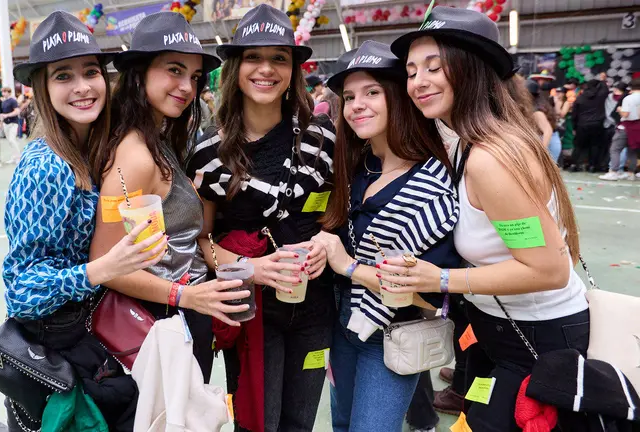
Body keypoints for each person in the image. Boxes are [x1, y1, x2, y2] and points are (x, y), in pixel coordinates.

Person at [389, 6, 589, 430]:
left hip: (539, 338)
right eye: (410, 71)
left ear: (471, 69)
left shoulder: (491, 159)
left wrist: (439, 279)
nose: (417, 82)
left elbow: (549, 269)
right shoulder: (467, 143)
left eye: (433, 67)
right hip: (497, 330)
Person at [3, 11, 167, 431]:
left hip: (91, 342)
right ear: (42, 87)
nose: (81, 87)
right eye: (63, 76)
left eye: (90, 72)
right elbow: (21, 291)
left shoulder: (94, 150)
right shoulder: (46, 167)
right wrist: (102, 269)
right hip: (58, 358)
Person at [186, 5, 333, 431]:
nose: (265, 69)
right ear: (236, 67)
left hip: (314, 309)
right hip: (250, 311)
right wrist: (251, 267)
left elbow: (334, 217)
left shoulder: (322, 138)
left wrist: (326, 244)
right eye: (253, 57)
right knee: (257, 421)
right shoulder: (208, 151)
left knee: (300, 420)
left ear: (293, 70)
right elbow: (202, 240)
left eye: (279, 59)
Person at [310, 40, 460, 432]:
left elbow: (434, 295)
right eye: (349, 96)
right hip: (343, 323)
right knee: (341, 424)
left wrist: (347, 265)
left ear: (397, 96)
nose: (357, 104)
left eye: (372, 92)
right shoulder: (358, 169)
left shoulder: (432, 185)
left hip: (393, 331)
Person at [88, 11, 247, 382]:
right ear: (140, 72)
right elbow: (107, 264)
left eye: (193, 76)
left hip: (180, 316)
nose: (188, 87)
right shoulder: (137, 156)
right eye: (174, 70)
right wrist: (186, 297)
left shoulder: (155, 140)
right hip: (165, 322)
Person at [600, 81, 637, 181]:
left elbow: (625, 114)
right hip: (637, 127)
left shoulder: (628, 98)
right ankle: (631, 173)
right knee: (632, 151)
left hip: (626, 126)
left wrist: (620, 109)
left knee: (615, 149)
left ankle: (613, 171)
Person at [571, 79, 609, 172]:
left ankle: (574, 164)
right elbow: (606, 89)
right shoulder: (600, 96)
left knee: (578, 146)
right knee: (595, 146)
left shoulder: (580, 98)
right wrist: (602, 81)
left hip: (582, 124)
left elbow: (574, 114)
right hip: (597, 124)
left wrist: (574, 127)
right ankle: (592, 166)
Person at [524, 79, 560, 161]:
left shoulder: (537, 112)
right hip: (550, 141)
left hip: (547, 143)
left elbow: (548, 131)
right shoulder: (540, 104)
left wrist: (541, 152)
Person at [0, 87, 23, 164]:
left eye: (5, 91)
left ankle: (18, 157)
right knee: (10, 141)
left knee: (12, 140)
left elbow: (17, 111)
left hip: (13, 123)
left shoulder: (13, 101)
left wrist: (7, 115)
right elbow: (2, 114)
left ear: (9, 92)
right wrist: (1, 123)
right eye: (3, 92)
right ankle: (14, 157)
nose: (3, 93)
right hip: (6, 123)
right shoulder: (3, 102)